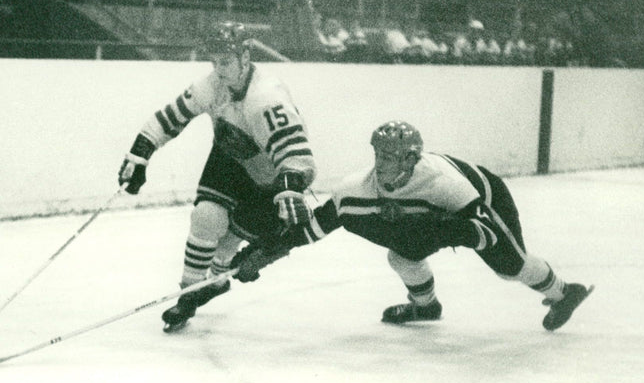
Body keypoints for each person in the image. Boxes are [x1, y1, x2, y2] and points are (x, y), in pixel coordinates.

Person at [231, 121, 594, 332]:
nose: (381, 163)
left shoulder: (442, 184)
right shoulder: (354, 190)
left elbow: (485, 232)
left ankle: (566, 291)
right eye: (378, 154)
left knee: (510, 267)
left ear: (411, 159)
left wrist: (446, 230)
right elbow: (313, 228)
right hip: (429, 214)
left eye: (389, 156)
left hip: (483, 194)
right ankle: (426, 306)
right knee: (402, 256)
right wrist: (266, 254)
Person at [118, 21, 317, 332]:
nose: (218, 70)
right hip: (229, 157)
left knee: (233, 236)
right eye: (214, 62)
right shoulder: (211, 85)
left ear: (245, 59)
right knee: (206, 216)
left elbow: (297, 155)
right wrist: (139, 154)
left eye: (225, 62)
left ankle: (217, 275)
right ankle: (190, 291)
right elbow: (169, 117)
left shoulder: (267, 97)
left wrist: (291, 187)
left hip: (269, 176)